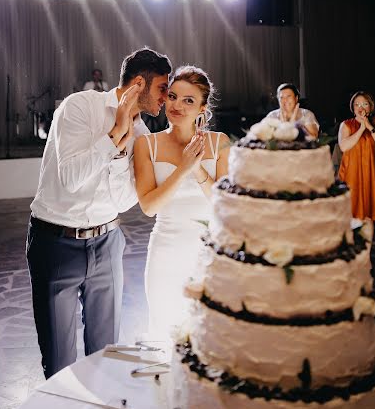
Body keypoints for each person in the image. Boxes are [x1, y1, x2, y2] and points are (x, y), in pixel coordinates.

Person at [26, 48, 171, 378]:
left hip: (108, 242)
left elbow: (122, 201)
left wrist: (122, 152)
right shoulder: (79, 106)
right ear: (138, 84)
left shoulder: (142, 137)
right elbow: (71, 178)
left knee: (106, 356)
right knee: (59, 361)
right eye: (162, 87)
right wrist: (114, 134)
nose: (166, 96)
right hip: (55, 242)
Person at [134, 66, 230, 348]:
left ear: (202, 108)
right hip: (164, 255)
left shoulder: (219, 143)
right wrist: (182, 169)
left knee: (210, 342)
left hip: (209, 258)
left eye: (188, 100)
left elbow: (224, 206)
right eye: (173, 96)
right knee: (166, 339)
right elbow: (149, 206)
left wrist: (198, 170)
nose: (176, 105)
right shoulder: (146, 145)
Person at [338, 91, 375, 238]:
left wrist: (369, 127)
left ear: (370, 107)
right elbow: (344, 147)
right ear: (353, 107)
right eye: (356, 104)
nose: (360, 107)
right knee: (352, 213)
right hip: (352, 175)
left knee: (369, 214)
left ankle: (366, 250)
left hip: (371, 174)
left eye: (364, 104)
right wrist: (361, 129)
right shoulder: (346, 125)